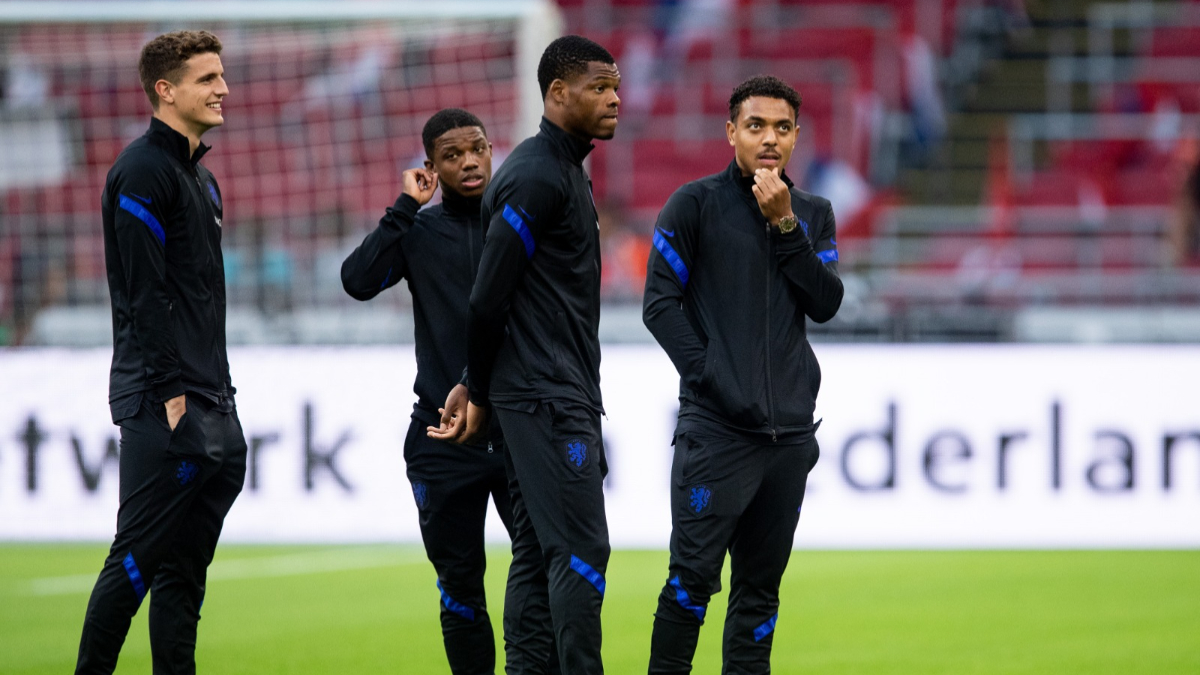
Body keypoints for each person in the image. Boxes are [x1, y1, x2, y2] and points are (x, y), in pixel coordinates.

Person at [430, 35, 621, 675]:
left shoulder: (561, 170)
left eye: (616, 85)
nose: (616, 98)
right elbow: (487, 299)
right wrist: (477, 389)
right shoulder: (537, 175)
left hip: (548, 391)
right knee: (581, 551)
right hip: (543, 397)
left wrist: (476, 383)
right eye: (600, 86)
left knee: (540, 552)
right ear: (558, 94)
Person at [641, 75, 843, 674]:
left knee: (760, 594)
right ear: (731, 132)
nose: (769, 138)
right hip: (718, 434)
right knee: (690, 584)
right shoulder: (694, 204)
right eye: (755, 126)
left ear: (797, 136)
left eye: (782, 128)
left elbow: (826, 303)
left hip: (788, 442)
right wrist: (710, 377)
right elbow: (658, 303)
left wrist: (785, 226)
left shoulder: (812, 213)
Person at [341, 108, 545, 675]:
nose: (470, 162)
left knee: (542, 573)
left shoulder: (521, 223)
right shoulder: (419, 231)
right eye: (451, 155)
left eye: (477, 147)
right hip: (441, 434)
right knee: (459, 589)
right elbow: (357, 281)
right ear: (430, 166)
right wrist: (405, 207)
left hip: (516, 428)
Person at [78, 30, 245, 675]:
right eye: (207, 79)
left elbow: (203, 301)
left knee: (184, 577)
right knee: (135, 560)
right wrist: (173, 392)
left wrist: (220, 396)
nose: (223, 89)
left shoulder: (202, 183)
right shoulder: (143, 171)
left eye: (222, 76)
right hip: (162, 401)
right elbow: (143, 296)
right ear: (165, 90)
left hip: (211, 399)